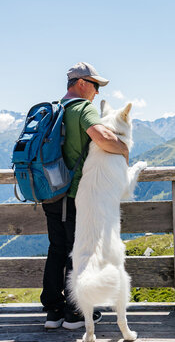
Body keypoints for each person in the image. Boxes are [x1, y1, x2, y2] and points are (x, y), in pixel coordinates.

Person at [42, 62, 129, 330]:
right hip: (74, 194)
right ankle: (75, 314)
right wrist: (124, 151)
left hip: (50, 192)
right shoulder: (82, 108)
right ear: (81, 83)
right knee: (76, 252)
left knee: (56, 249)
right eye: (95, 86)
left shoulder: (53, 108)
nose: (97, 93)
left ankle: (53, 312)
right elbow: (102, 137)